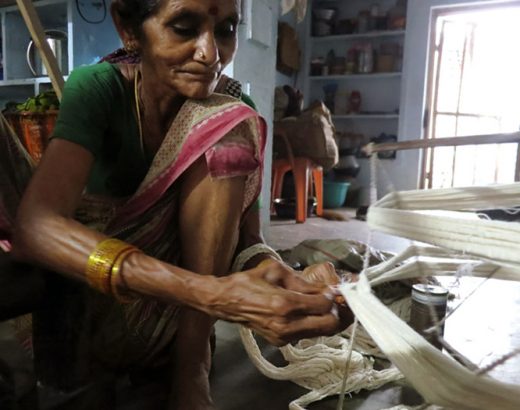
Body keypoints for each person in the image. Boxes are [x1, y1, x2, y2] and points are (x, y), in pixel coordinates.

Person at [8, 0, 352, 408]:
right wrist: (208, 293)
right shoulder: (98, 88)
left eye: (225, 31)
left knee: (228, 121)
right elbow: (35, 226)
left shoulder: (232, 114)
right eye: (184, 28)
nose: (210, 54)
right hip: (89, 318)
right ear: (128, 27)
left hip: (179, 328)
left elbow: (246, 243)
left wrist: (284, 277)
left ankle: (191, 370)